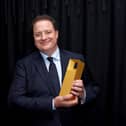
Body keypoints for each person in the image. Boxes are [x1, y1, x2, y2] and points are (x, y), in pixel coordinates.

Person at [8, 14, 99, 126]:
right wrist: (52, 103)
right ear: (33, 38)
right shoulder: (24, 65)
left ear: (56, 34)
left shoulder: (76, 59)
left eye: (48, 32)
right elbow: (16, 99)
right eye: (38, 34)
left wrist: (83, 94)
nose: (43, 37)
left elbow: (94, 89)